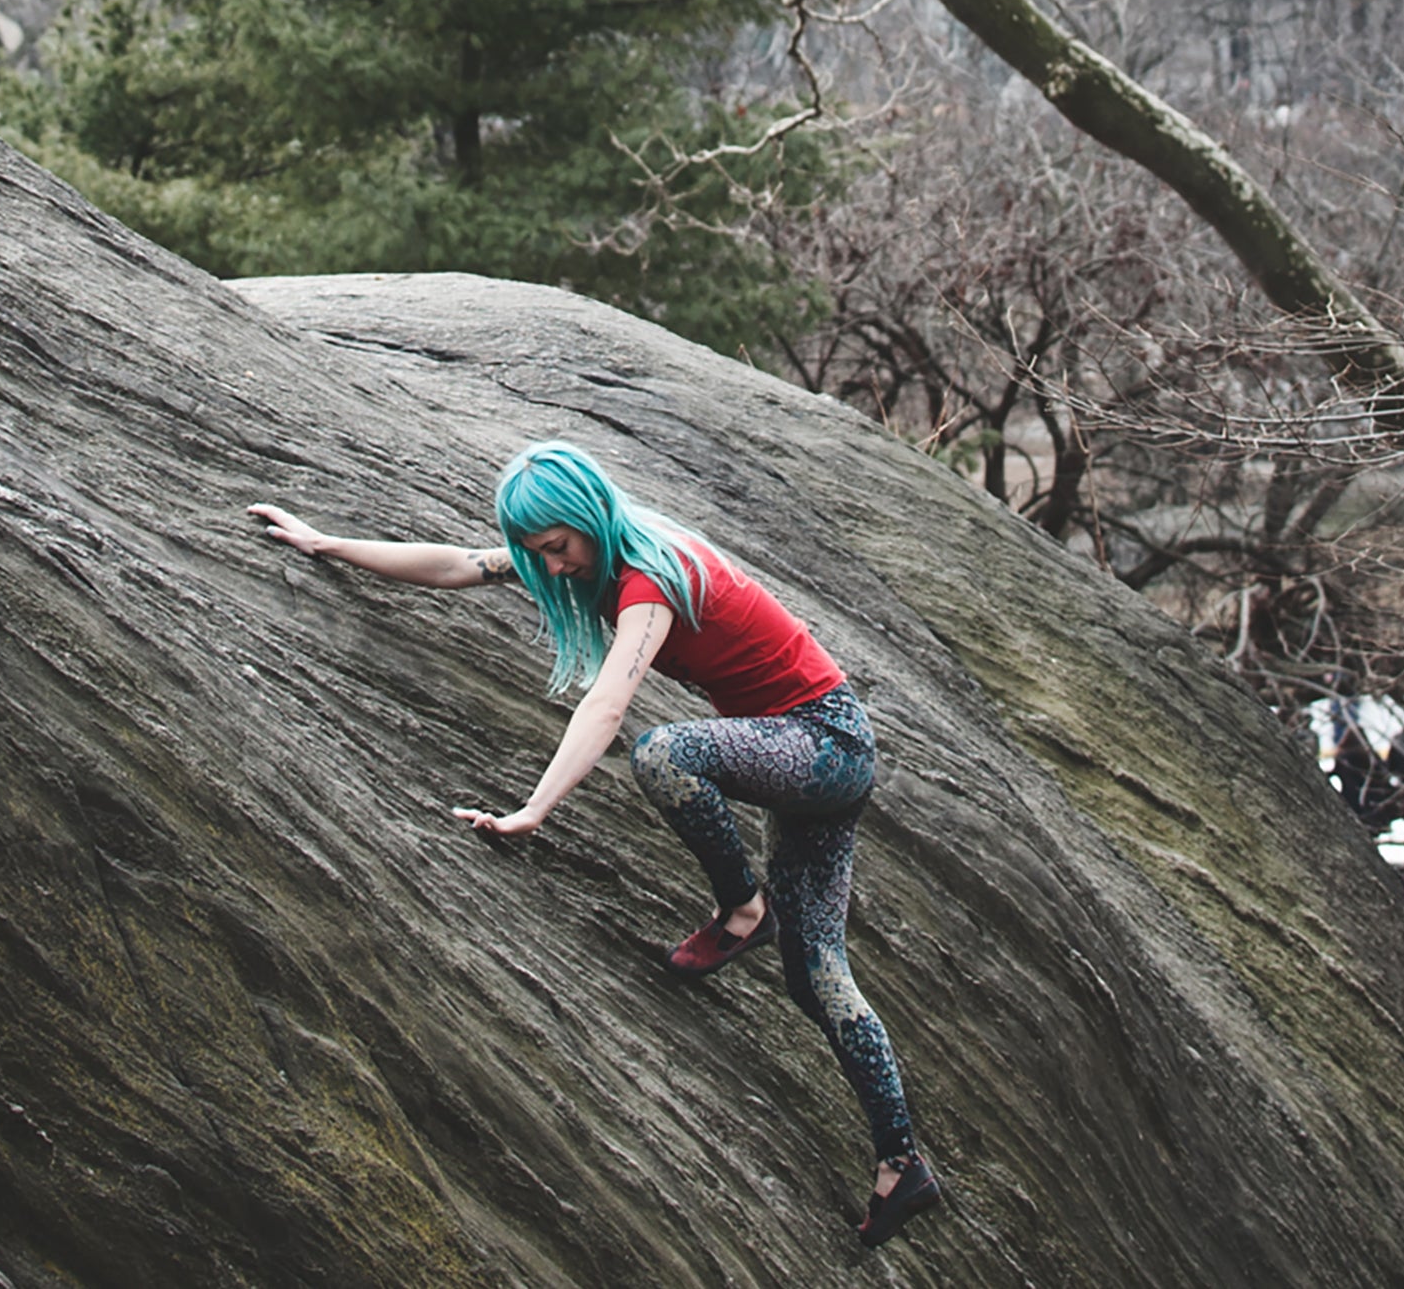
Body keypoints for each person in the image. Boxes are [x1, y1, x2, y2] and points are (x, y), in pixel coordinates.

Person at [246, 441, 941, 1248]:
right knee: (817, 977)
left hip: (824, 743)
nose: (553, 564)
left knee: (665, 752)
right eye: (538, 551)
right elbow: (458, 566)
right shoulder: (594, 555)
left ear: (590, 517)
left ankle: (743, 907)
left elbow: (609, 705)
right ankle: (902, 1167)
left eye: (559, 546)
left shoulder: (648, 580)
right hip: (806, 757)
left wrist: (534, 810)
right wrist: (325, 542)